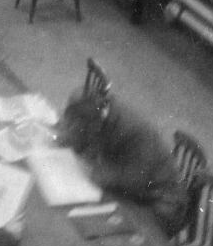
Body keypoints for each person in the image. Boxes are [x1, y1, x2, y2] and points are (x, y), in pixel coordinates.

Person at [57, 90, 192, 236]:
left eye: (81, 128)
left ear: (94, 124)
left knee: (100, 228)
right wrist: (70, 137)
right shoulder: (98, 115)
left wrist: (96, 173)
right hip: (136, 194)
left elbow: (134, 180)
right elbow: (84, 139)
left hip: (161, 204)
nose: (76, 129)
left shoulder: (134, 132)